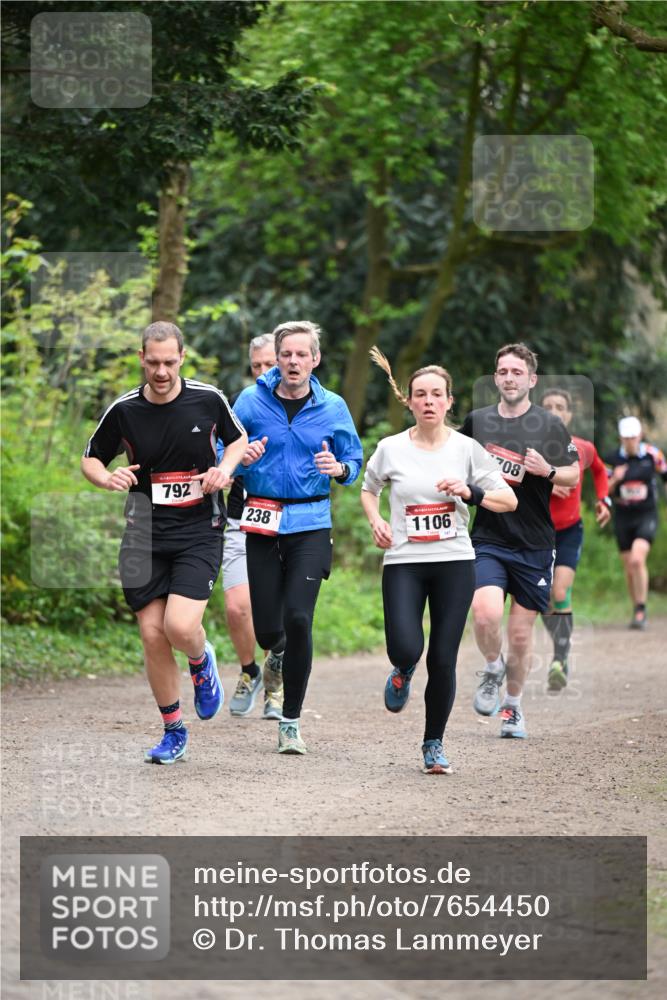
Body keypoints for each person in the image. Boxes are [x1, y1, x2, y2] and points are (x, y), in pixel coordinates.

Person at [81, 321, 248, 764]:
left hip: (198, 530)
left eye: (169, 362)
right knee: (152, 635)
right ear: (141, 358)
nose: (161, 371)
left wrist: (224, 471)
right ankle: (174, 730)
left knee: (179, 627)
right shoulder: (124, 410)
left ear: (181, 357)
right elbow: (91, 458)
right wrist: (106, 476)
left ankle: (200, 658)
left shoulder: (207, 399)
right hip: (143, 534)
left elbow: (237, 441)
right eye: (152, 362)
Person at [361, 348, 516, 774]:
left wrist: (470, 492)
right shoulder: (390, 448)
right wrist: (376, 520)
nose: (428, 401)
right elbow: (368, 488)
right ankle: (402, 669)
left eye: (436, 394)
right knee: (406, 647)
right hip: (404, 561)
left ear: (449, 402)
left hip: (454, 561)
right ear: (409, 402)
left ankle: (433, 744)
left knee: (443, 658)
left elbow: (509, 499)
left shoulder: (467, 450)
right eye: (420, 395)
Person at [233, 320, 363, 755]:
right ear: (277, 356)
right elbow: (220, 450)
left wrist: (340, 470)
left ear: (315, 359)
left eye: (301, 354)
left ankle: (290, 721)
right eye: (285, 353)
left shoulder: (333, 406)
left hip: (310, 521)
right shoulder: (251, 401)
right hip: (262, 519)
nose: (292, 361)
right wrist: (240, 458)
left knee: (300, 618)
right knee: (270, 629)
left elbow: (354, 459)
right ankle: (276, 653)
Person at [460, 344, 579, 739]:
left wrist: (546, 471)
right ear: (495, 378)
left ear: (531, 380)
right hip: (489, 537)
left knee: (522, 635)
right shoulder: (477, 421)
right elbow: (451, 457)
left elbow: (573, 474)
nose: (509, 377)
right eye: (502, 371)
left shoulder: (548, 425)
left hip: (534, 543)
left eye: (516, 372)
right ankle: (493, 667)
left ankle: (512, 706)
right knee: (484, 614)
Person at [220, 334, 285, 720]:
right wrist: (230, 463)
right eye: (256, 366)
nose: (263, 373)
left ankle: (275, 690)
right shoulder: (242, 406)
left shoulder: (305, 404)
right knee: (238, 608)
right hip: (241, 518)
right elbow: (217, 452)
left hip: (288, 524)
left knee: (276, 613)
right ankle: (249, 671)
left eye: (269, 365)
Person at [540, 388, 611, 690]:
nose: (555, 411)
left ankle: (560, 659)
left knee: (560, 591)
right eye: (549, 406)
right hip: (537, 533)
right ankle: (560, 648)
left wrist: (604, 500)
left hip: (569, 530)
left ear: (568, 414)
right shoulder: (529, 448)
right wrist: (546, 483)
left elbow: (599, 470)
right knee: (540, 600)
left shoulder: (582, 448)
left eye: (561, 406)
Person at [605, 415, 667, 630]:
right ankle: (636, 608)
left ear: (640, 435)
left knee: (637, 560)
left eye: (634, 437)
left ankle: (641, 607)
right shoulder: (612, 458)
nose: (630, 441)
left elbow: (665, 476)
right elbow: (604, 489)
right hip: (623, 517)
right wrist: (616, 479)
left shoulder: (653, 454)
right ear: (621, 438)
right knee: (629, 567)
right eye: (626, 438)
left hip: (646, 514)